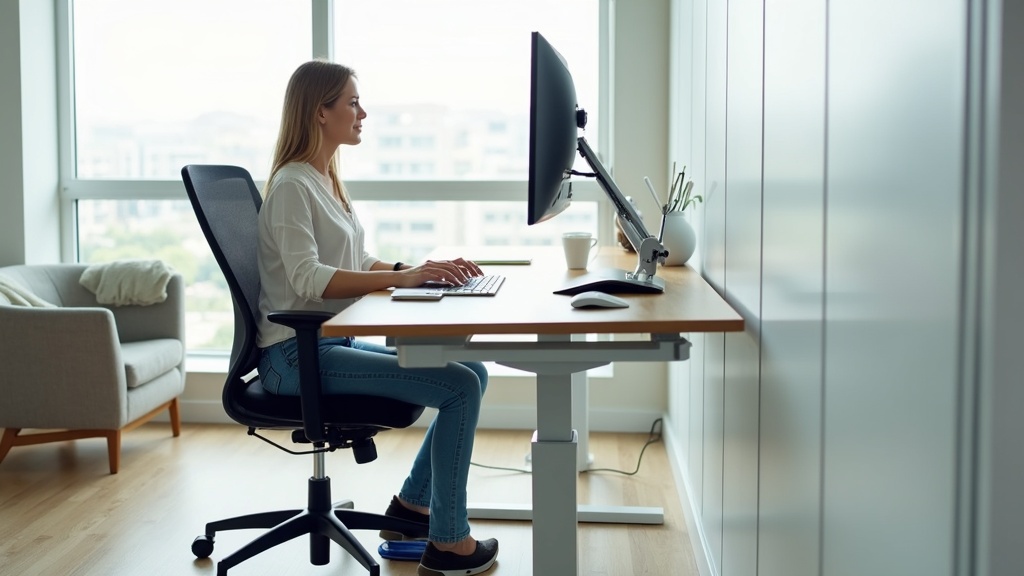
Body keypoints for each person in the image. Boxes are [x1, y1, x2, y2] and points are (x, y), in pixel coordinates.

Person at [256, 59, 498, 576]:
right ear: (320, 112)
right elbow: (308, 278)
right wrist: (399, 281)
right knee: (458, 387)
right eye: (351, 102)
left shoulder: (324, 179)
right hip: (290, 358)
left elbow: (354, 262)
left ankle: (411, 507)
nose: (362, 112)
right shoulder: (292, 186)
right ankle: (449, 544)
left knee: (471, 373)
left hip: (318, 347)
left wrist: (412, 270)